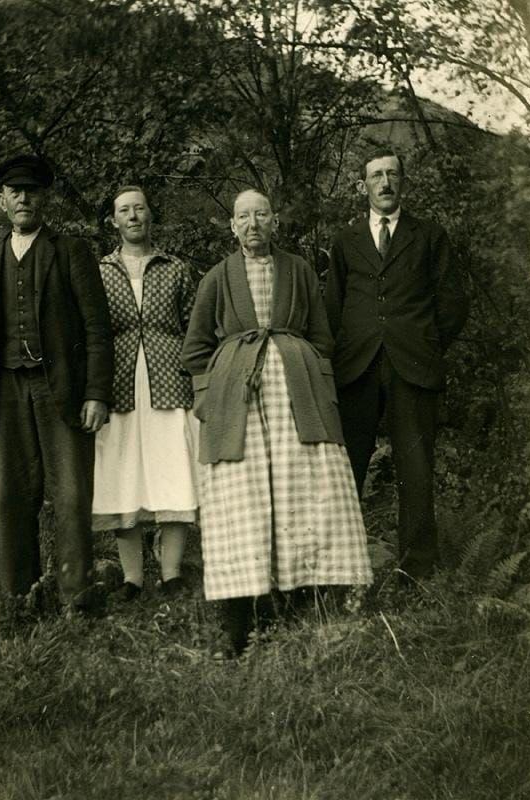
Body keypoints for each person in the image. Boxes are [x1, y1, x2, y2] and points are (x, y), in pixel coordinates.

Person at [182, 189, 372, 654]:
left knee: (301, 488)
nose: (253, 225)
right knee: (240, 496)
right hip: (237, 402)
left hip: (295, 396)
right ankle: (239, 613)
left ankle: (298, 596)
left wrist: (307, 371)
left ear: (275, 221)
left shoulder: (300, 271)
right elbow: (194, 350)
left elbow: (323, 339)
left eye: (261, 215)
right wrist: (213, 394)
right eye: (243, 217)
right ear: (232, 226)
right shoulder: (217, 277)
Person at [0, 153, 114, 610]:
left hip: (63, 392)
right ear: (2, 201)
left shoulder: (70, 251)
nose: (25, 199)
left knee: (71, 497)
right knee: (12, 496)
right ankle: (20, 597)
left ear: (44, 198)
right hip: (6, 392)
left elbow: (97, 329)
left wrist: (95, 393)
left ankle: (77, 599)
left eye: (32, 191)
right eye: (16, 192)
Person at [324, 147, 469, 584]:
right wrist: (338, 354)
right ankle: (341, 571)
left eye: (392, 174)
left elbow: (453, 301)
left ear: (403, 181)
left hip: (414, 366)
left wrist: (425, 342)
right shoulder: (346, 240)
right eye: (376, 176)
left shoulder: (429, 236)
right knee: (347, 469)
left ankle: (416, 572)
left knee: (416, 469)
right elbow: (333, 306)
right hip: (357, 368)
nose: (385, 183)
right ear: (363, 186)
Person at [92, 186, 199, 600]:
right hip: (116, 386)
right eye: (124, 210)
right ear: (113, 221)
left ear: (151, 216)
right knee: (123, 477)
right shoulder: (100, 271)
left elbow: (194, 327)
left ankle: (171, 573)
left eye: (140, 208)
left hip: (170, 383)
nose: (133, 216)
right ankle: (132, 578)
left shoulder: (174, 268)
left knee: (173, 474)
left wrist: (195, 378)